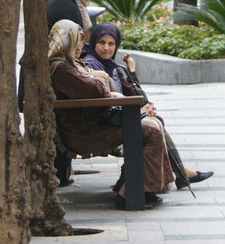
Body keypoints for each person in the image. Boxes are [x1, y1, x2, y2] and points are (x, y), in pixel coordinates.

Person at [48, 20, 175, 209]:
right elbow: (95, 92)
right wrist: (101, 78)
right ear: (67, 40)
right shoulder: (61, 68)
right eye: (77, 40)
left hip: (92, 125)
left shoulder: (67, 64)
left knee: (153, 124)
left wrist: (99, 78)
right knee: (150, 129)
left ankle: (136, 186)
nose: (80, 46)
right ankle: (132, 192)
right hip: (84, 132)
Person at [83, 22, 214, 191]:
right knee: (153, 125)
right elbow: (108, 99)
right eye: (102, 43)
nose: (106, 48)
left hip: (118, 114)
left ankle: (176, 174)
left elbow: (135, 94)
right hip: (105, 121)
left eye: (111, 43)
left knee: (155, 120)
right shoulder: (94, 64)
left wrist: (132, 72)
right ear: (93, 43)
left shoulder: (111, 66)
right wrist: (139, 110)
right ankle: (178, 174)